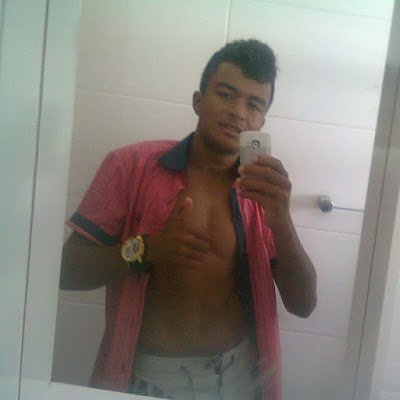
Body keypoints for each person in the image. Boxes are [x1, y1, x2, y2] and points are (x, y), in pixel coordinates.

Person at [60, 39, 317, 400]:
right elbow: (66, 270)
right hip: (148, 379)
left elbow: (303, 304)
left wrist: (281, 219)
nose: (238, 112)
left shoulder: (263, 190)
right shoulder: (129, 167)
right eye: (226, 95)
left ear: (262, 121)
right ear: (199, 100)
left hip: (241, 377)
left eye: (253, 104)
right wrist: (148, 250)